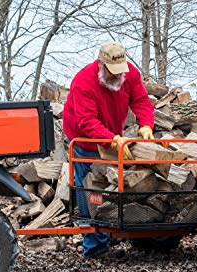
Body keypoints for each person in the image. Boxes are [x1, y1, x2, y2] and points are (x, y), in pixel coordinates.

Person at [62, 41, 155, 258]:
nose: (117, 76)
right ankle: (95, 247)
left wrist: (146, 125)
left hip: (111, 133)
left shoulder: (129, 74)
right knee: (90, 188)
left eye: (120, 72)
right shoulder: (84, 82)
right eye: (112, 72)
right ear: (101, 65)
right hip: (84, 139)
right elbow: (86, 122)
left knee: (114, 183)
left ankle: (113, 227)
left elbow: (141, 100)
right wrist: (111, 139)